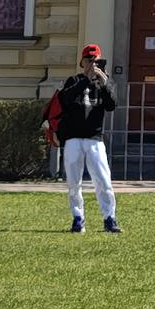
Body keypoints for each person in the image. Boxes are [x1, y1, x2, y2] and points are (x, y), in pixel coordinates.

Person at [49, 45, 120, 235]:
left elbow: (112, 105)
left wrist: (104, 84)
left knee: (103, 181)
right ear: (82, 62)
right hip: (73, 138)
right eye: (89, 60)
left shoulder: (104, 82)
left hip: (95, 138)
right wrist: (85, 81)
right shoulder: (74, 80)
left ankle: (109, 219)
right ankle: (78, 218)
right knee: (74, 182)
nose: (92, 64)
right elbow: (64, 99)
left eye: (95, 60)